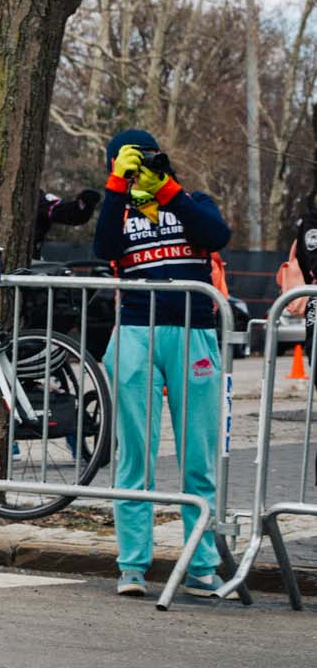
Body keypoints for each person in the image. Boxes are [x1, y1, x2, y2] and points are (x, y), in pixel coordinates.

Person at [94, 130, 231, 599]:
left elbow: (216, 235)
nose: (140, 170)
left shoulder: (192, 200)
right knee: (136, 456)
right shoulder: (119, 206)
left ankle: (202, 564)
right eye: (129, 163)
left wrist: (166, 189)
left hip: (194, 334)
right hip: (135, 333)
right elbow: (105, 247)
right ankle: (132, 564)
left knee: (199, 456)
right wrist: (117, 187)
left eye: (146, 160)